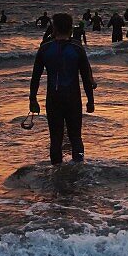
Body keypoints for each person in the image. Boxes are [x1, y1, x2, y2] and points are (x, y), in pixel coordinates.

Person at [28, 13, 96, 165]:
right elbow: (86, 78)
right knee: (76, 137)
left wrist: (33, 99)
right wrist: (90, 101)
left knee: (56, 138)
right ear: (71, 28)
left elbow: (35, 77)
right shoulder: (77, 48)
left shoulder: (45, 48)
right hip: (73, 98)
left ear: (54, 28)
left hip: (53, 99)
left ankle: (56, 171)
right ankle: (78, 168)